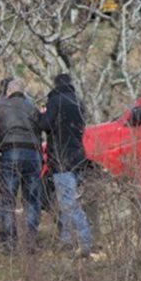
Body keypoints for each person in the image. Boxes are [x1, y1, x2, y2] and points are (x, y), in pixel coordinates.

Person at [39, 73, 94, 257]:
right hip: (78, 157)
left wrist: (41, 115)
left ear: (56, 84)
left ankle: (85, 242)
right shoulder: (78, 102)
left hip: (62, 159)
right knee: (67, 202)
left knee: (69, 203)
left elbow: (45, 125)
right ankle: (66, 241)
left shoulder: (55, 101)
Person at [0, 79, 43, 253]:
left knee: (7, 199)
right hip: (32, 153)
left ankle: (9, 243)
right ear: (23, 92)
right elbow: (39, 130)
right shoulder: (32, 107)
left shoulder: (0, 106)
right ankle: (30, 241)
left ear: (8, 92)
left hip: (10, 152)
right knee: (32, 199)